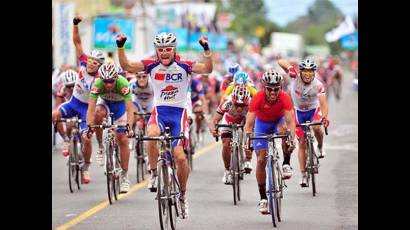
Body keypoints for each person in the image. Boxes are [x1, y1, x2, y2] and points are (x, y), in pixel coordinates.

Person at [116, 32, 213, 218]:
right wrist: (120, 47)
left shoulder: (184, 65)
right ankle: (153, 174)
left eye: (168, 49)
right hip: (159, 111)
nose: (164, 53)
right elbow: (127, 65)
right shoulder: (151, 64)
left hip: (179, 114)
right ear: (157, 51)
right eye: (160, 49)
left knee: (181, 159)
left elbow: (207, 69)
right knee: (151, 134)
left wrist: (207, 50)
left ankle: (183, 195)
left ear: (174, 49)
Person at [52, 16, 106, 183]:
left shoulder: (99, 78)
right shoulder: (82, 63)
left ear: (99, 66)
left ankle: (86, 168)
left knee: (86, 139)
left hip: (86, 108)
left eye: (94, 63)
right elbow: (76, 42)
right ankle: (67, 141)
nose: (90, 64)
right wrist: (74, 24)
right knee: (55, 114)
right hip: (73, 102)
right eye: (89, 61)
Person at [243, 69, 296, 214]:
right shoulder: (257, 98)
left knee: (284, 130)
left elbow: (291, 121)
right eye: (270, 89)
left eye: (276, 89)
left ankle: (286, 163)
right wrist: (246, 141)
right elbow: (248, 124)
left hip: (279, 122)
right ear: (264, 87)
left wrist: (292, 138)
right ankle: (263, 198)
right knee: (260, 160)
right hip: (262, 124)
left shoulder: (284, 97)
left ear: (280, 88)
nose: (273, 93)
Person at [278, 58, 330, 187]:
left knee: (318, 127)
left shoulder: (318, 85)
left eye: (310, 72)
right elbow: (280, 61)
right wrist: (289, 68)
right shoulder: (294, 78)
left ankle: (320, 146)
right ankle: (303, 175)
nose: (307, 74)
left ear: (314, 73)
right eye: (305, 72)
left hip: (313, 110)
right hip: (298, 111)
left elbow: (323, 103)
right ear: (300, 72)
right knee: (301, 142)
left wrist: (324, 117)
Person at [86, 63, 134, 193]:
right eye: (105, 81)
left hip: (120, 107)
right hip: (105, 104)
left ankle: (124, 175)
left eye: (111, 81)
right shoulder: (97, 85)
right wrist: (89, 126)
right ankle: (101, 146)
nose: (108, 84)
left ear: (116, 78)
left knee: (123, 139)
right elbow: (91, 108)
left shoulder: (123, 84)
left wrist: (129, 127)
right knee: (98, 113)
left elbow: (130, 109)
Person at [209, 84, 253, 184]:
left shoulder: (251, 104)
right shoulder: (227, 103)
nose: (239, 109)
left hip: (244, 120)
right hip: (228, 120)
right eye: (237, 105)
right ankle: (227, 170)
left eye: (242, 106)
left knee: (251, 132)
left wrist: (250, 142)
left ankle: (248, 159)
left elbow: (255, 122)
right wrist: (214, 131)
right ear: (233, 100)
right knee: (226, 143)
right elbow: (214, 121)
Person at [52, 70, 77, 156]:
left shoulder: (81, 87)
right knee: (67, 124)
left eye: (73, 85)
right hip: (68, 109)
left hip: (79, 107)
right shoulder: (62, 89)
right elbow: (58, 106)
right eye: (69, 86)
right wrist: (56, 119)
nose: (71, 89)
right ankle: (66, 140)